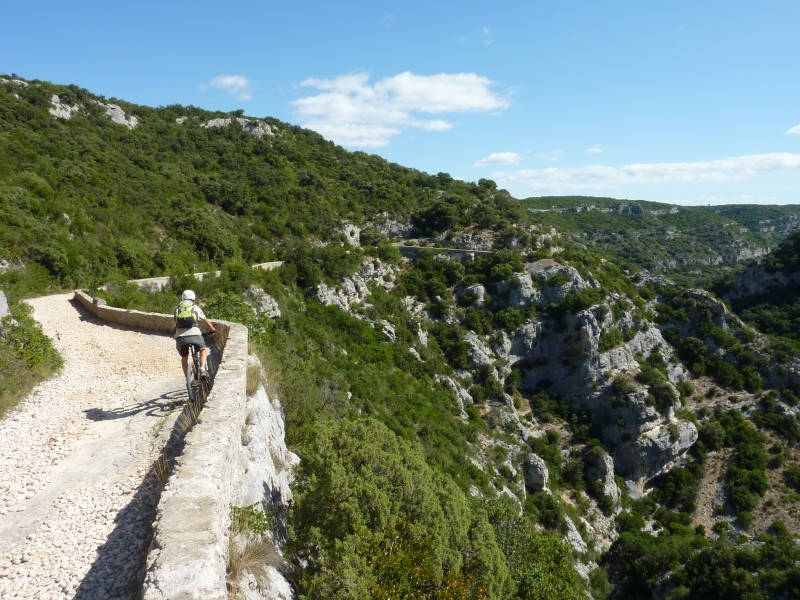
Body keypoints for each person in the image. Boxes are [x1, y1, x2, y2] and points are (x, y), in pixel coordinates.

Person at [174, 289, 216, 378]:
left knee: (184, 357)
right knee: (203, 349)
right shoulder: (196, 308)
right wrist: (212, 329)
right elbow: (205, 321)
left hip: (180, 336)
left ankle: (188, 379)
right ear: (193, 298)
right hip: (194, 334)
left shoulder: (177, 309)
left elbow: (176, 323)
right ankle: (202, 369)